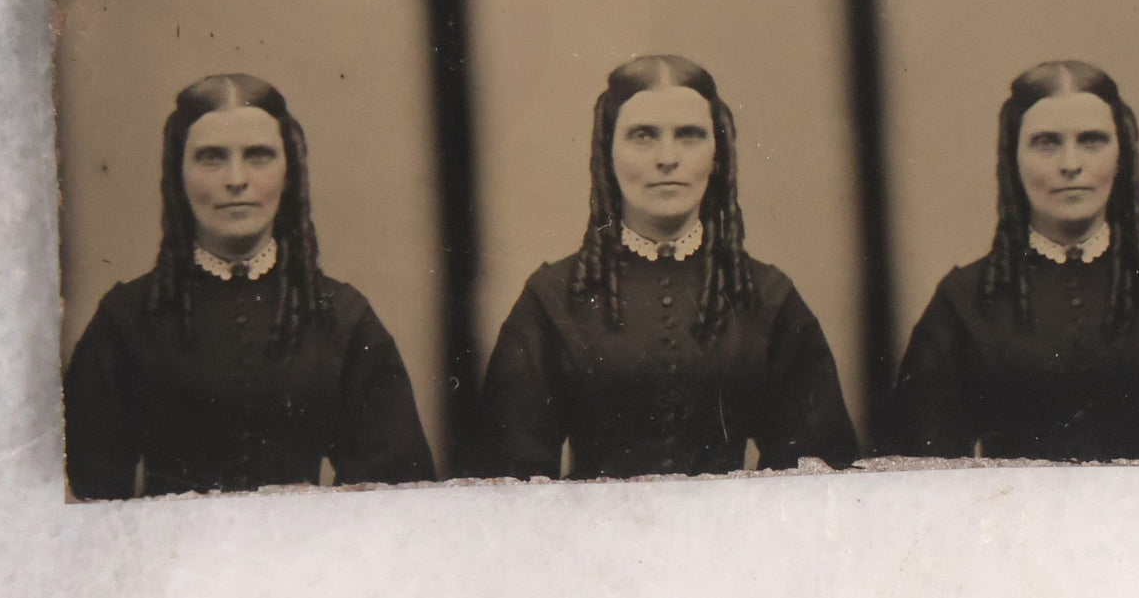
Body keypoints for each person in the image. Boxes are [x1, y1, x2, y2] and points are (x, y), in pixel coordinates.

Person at [476, 55, 859, 480]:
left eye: (690, 136)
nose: (667, 157)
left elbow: (819, 472)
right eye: (643, 136)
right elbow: (508, 478)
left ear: (717, 153)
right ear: (608, 152)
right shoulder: (554, 297)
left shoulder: (764, 296)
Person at [63, 73, 434, 499]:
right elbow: (94, 489)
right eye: (211, 158)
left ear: (288, 171)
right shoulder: (127, 319)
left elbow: (396, 480)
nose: (235, 179)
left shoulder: (341, 316)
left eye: (258, 156)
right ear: (178, 174)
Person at [890, 60, 1139, 462]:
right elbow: (918, 467)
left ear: (1120, 155)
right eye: (1046, 142)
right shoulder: (965, 303)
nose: (1071, 163)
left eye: (1092, 140)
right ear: (1012, 159)